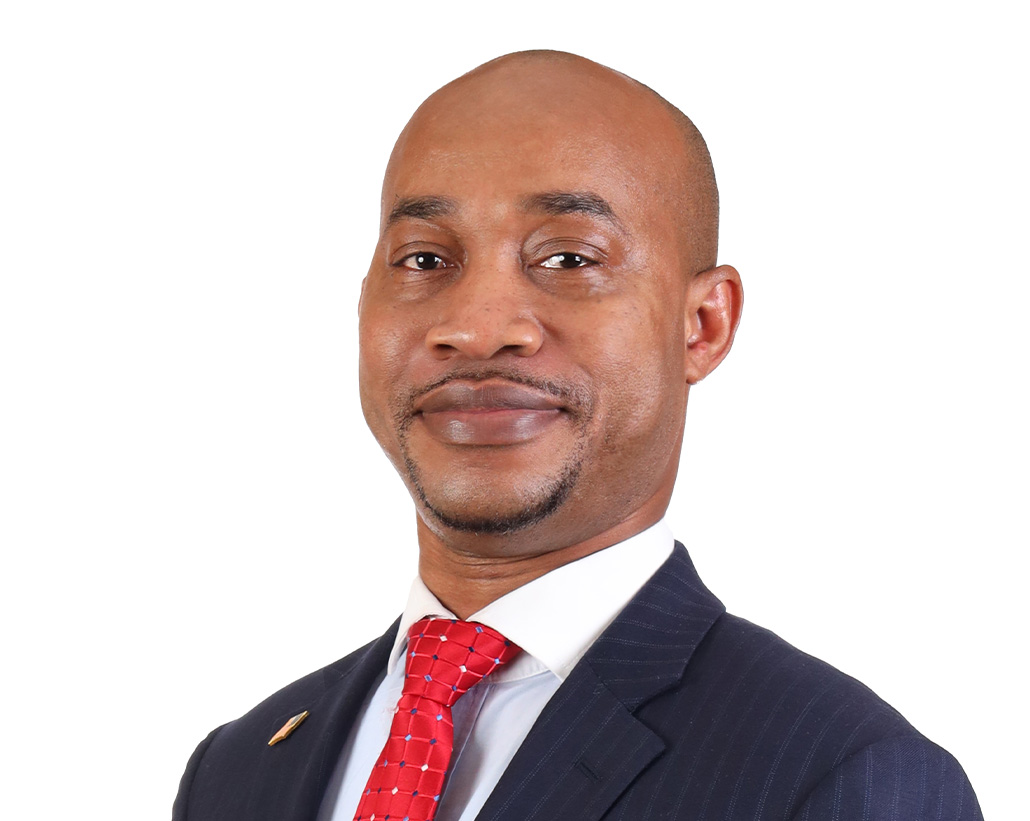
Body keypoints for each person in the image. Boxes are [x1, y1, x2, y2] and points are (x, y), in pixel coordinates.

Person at [173, 51, 982, 821]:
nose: (477, 326)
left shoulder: (843, 775)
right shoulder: (239, 769)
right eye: (424, 260)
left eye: (567, 257)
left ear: (702, 325)